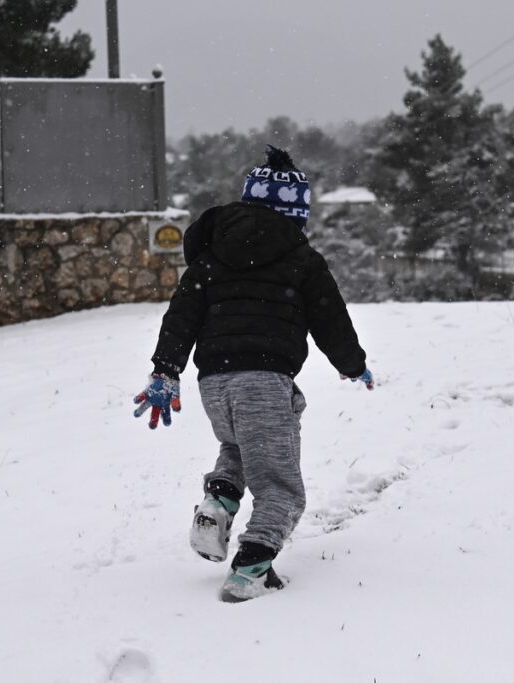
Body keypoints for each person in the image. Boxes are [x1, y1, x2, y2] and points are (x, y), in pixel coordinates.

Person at [132, 145, 374, 602]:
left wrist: (165, 370)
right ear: (296, 213)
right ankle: (252, 569)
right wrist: (352, 364)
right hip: (263, 382)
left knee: (239, 446)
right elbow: (330, 319)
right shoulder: (303, 260)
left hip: (214, 384)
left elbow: (181, 316)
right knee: (281, 486)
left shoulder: (211, 259)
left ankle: (218, 504)